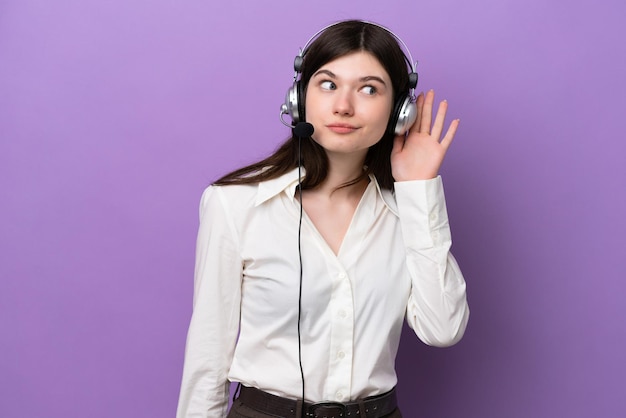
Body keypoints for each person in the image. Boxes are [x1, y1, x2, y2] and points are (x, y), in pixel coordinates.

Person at [177, 20, 469, 418]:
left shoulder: (408, 213)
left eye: (369, 89)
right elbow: (208, 354)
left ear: (401, 111)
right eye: (328, 84)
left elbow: (443, 329)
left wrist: (419, 188)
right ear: (299, 96)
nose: (344, 105)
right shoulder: (235, 204)